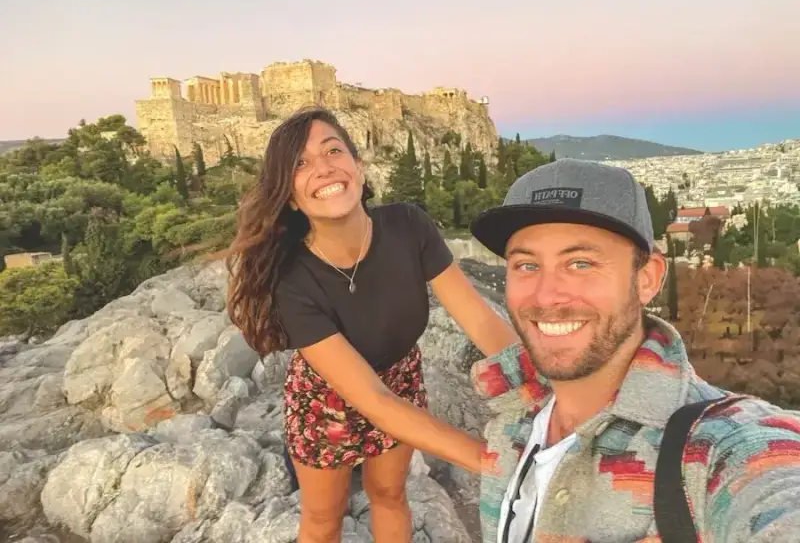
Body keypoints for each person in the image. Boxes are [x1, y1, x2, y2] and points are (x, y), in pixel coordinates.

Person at [224, 107, 519, 543]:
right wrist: (492, 460)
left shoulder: (408, 226)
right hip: (324, 401)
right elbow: (374, 401)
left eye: (333, 150)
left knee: (389, 494)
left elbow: (478, 317)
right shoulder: (292, 280)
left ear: (358, 168)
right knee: (324, 519)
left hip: (400, 377)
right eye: (300, 165)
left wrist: (535, 386)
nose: (323, 168)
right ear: (289, 196)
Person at [468, 158, 800, 543]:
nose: (546, 296)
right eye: (526, 265)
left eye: (580, 263)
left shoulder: (719, 447)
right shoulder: (517, 419)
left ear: (647, 279)